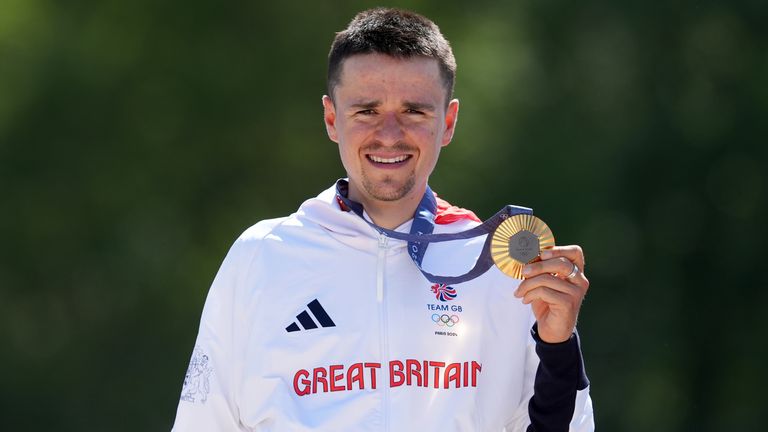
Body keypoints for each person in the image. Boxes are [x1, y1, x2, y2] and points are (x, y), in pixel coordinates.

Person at [172, 7, 594, 431]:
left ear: (447, 123)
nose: (389, 134)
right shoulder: (262, 258)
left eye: (414, 111)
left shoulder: (498, 268)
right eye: (367, 111)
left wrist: (558, 345)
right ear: (332, 118)